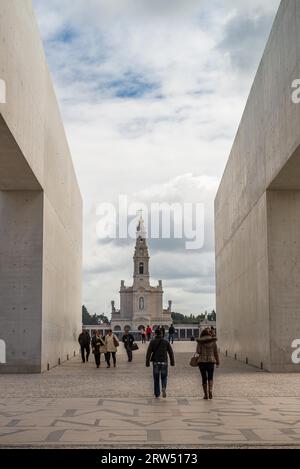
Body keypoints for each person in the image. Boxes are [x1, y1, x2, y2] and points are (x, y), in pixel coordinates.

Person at [146, 328, 175, 399]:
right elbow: (171, 353)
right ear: (161, 334)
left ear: (155, 334)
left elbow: (149, 353)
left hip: (156, 362)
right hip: (164, 362)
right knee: (164, 377)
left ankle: (157, 393)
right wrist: (172, 362)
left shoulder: (152, 342)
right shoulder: (166, 342)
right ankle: (164, 387)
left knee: (156, 379)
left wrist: (147, 362)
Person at [196, 329, 220, 400]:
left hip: (202, 362)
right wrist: (218, 362)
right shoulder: (213, 342)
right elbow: (216, 353)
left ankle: (205, 395)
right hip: (211, 361)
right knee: (210, 377)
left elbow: (198, 351)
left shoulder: (200, 342)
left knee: (204, 378)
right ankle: (210, 390)